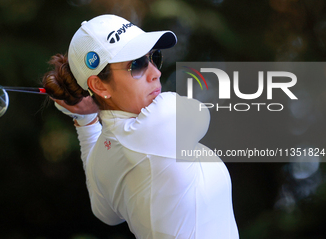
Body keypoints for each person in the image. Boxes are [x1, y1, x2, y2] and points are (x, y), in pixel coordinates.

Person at [42, 14, 239, 239]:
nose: (156, 72)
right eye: (136, 65)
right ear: (98, 84)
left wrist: (86, 122)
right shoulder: (164, 117)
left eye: (153, 57)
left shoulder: (100, 159)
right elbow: (202, 115)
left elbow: (105, 213)